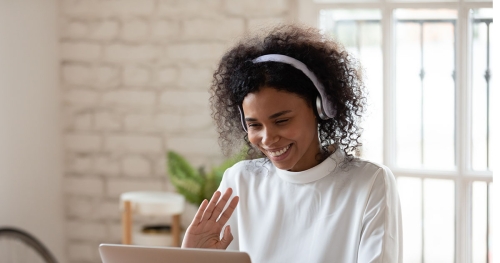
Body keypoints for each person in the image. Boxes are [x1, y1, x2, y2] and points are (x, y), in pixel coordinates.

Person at [181, 24, 402, 262]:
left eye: (282, 120)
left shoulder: (369, 183)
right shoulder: (239, 181)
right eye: (255, 125)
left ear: (321, 109)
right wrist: (194, 257)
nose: (267, 138)